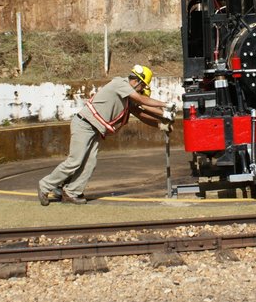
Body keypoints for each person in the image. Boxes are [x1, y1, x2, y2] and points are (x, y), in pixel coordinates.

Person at [38, 64, 175, 205]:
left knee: (90, 163)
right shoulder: (120, 84)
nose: (141, 91)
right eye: (142, 87)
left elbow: (140, 112)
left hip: (95, 129)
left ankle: (71, 192)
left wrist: (161, 122)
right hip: (84, 124)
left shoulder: (126, 98)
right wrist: (166, 107)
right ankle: (45, 185)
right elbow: (142, 101)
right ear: (136, 81)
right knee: (75, 161)